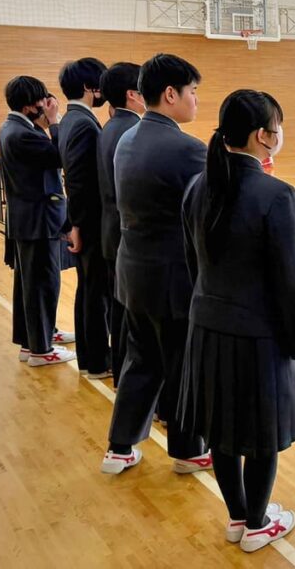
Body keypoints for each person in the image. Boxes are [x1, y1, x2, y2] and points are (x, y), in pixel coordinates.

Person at [180, 89, 295, 554]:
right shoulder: (276, 194)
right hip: (257, 336)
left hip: (207, 328)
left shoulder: (198, 186)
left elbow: (192, 263)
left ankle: (238, 517)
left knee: (222, 428)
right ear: (263, 136)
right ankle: (257, 523)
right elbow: (289, 282)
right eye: (279, 125)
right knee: (259, 434)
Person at [100, 53, 211, 475]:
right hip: (172, 277)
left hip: (133, 272)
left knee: (141, 359)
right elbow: (214, 203)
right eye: (193, 92)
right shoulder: (185, 147)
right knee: (182, 362)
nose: (196, 101)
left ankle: (120, 446)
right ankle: (187, 450)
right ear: (170, 94)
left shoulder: (127, 137)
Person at [0, 76, 77, 368]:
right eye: (44, 101)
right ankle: (41, 350)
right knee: (43, 284)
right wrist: (55, 122)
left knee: (30, 285)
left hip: (27, 219)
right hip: (38, 221)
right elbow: (61, 157)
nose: (47, 105)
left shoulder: (13, 127)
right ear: (31, 105)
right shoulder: (24, 134)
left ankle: (33, 340)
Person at [57, 57, 111, 379]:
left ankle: (92, 357)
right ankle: (96, 360)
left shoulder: (70, 119)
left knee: (89, 289)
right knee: (95, 292)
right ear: (91, 88)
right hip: (90, 222)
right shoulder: (83, 123)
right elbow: (76, 180)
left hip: (85, 220)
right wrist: (75, 225)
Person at [97, 62, 144, 388]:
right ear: (131, 94)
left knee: (119, 307)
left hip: (111, 231)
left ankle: (121, 372)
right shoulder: (130, 132)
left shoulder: (110, 127)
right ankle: (129, 378)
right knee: (131, 314)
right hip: (127, 235)